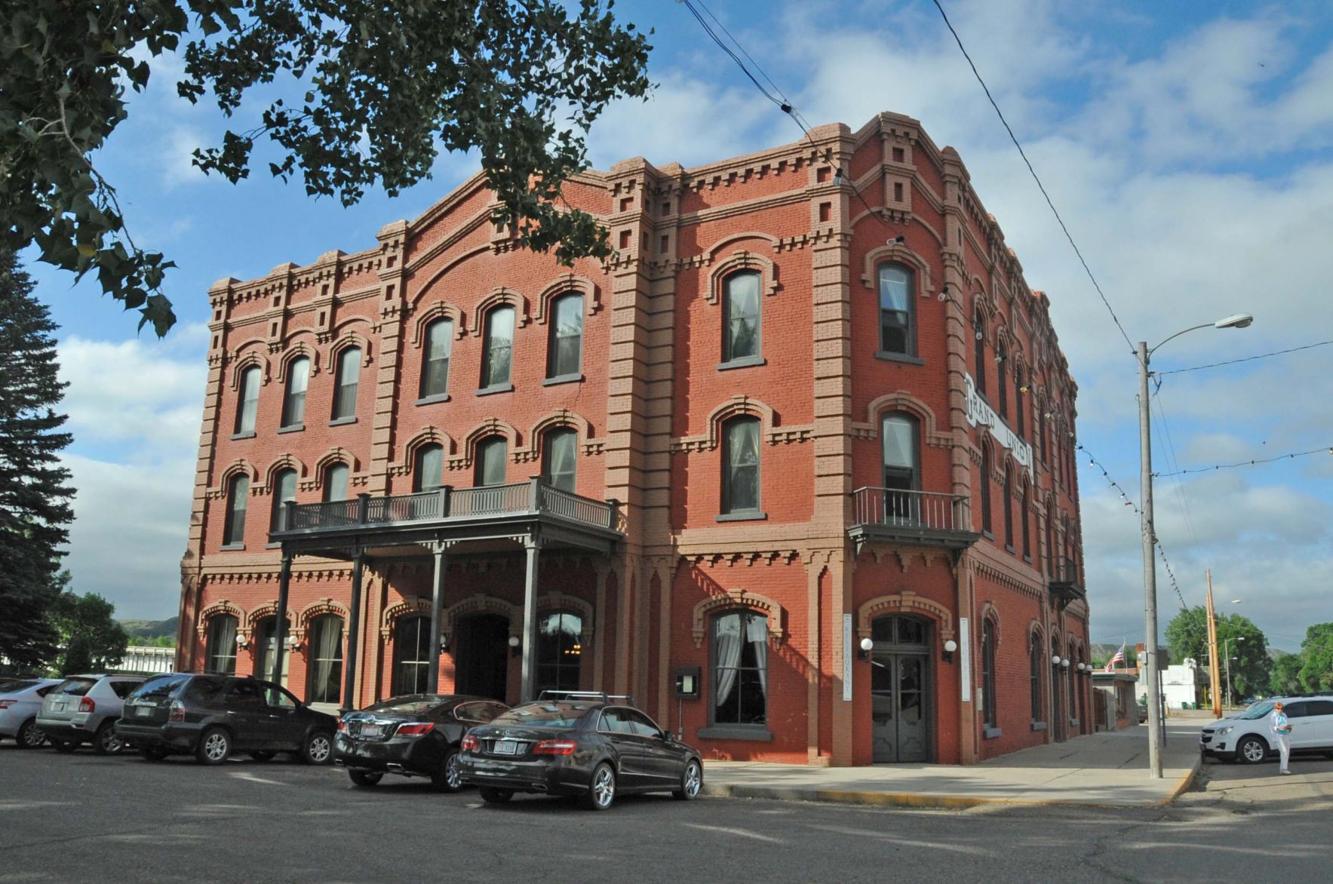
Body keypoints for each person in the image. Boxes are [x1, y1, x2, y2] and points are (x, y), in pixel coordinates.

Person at [1270, 701, 1293, 775]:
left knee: (1287, 751)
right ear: (1275, 708)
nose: (1280, 710)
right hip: (1278, 736)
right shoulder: (1273, 716)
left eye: (1281, 708)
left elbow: (1286, 724)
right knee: (1283, 751)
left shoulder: (1284, 715)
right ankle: (1283, 769)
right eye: (1278, 708)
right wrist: (1282, 728)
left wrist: (1289, 728)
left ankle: (1283, 768)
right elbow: (1273, 728)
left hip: (1285, 734)